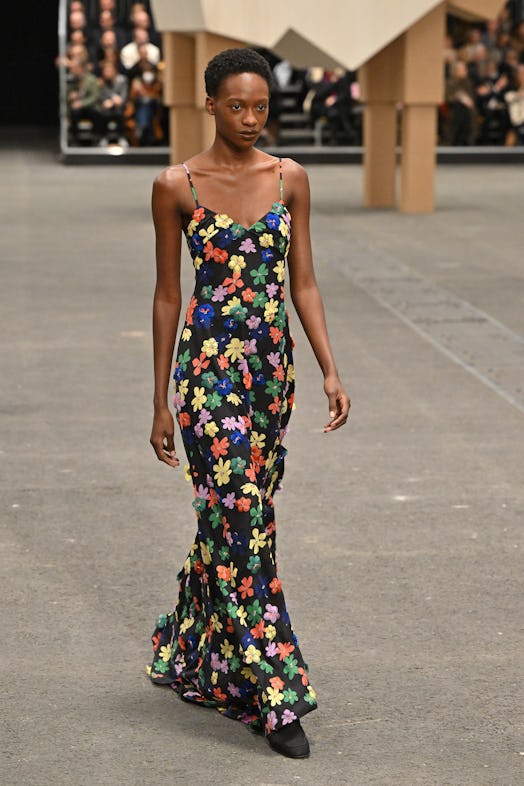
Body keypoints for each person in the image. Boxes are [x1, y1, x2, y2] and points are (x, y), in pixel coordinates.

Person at [147, 48, 350, 759]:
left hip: (271, 377)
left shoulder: (289, 178)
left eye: (261, 106)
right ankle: (275, 692)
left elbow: (305, 283)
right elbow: (170, 294)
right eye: (237, 105)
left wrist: (328, 368)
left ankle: (188, 647)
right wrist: (160, 400)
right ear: (210, 104)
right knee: (239, 517)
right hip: (207, 379)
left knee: (240, 517)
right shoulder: (176, 184)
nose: (250, 117)